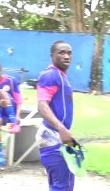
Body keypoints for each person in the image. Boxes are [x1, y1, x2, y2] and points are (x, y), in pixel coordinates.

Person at [36, 40, 75, 191]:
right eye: (62, 52)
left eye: (69, 53)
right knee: (62, 186)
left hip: (57, 134)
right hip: (52, 134)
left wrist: (65, 132)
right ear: (52, 55)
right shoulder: (50, 75)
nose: (66, 56)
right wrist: (61, 128)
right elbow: (42, 105)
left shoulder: (61, 76)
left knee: (62, 184)